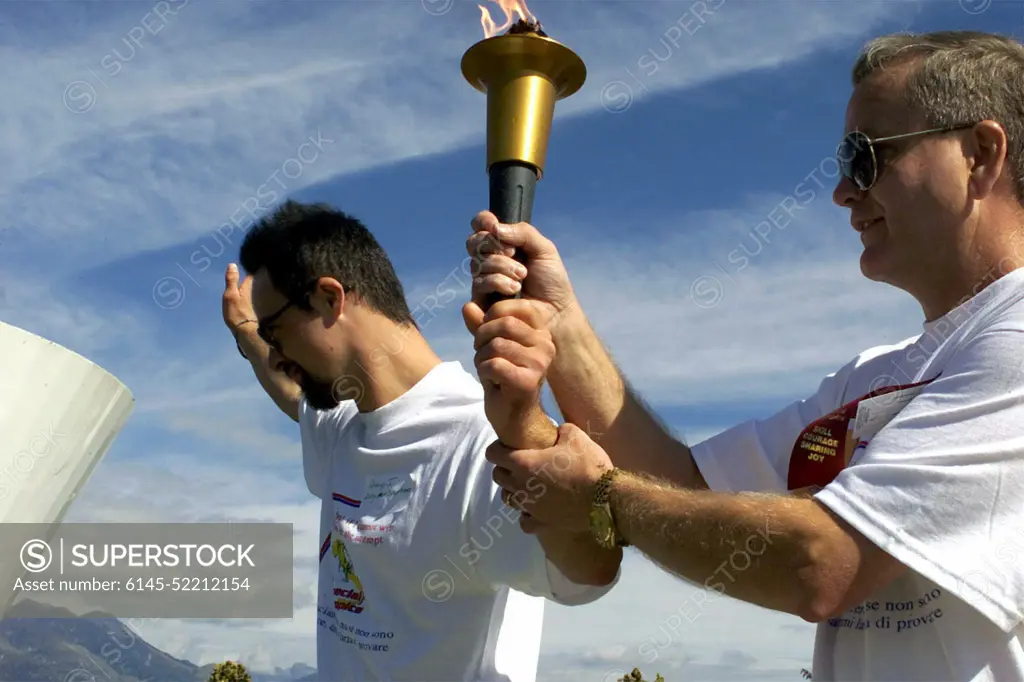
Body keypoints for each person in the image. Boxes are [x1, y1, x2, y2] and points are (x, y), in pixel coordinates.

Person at [463, 30, 1024, 681]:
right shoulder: (875, 380)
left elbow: (822, 566)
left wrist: (602, 500)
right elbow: (686, 482)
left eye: (866, 156)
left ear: (980, 155)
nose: (843, 190)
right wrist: (562, 326)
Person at [220, 199, 621, 681]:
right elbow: (291, 394)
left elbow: (591, 568)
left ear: (330, 299)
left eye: (276, 332)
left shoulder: (481, 440)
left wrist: (531, 429)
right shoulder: (345, 426)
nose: (276, 354)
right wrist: (247, 331)